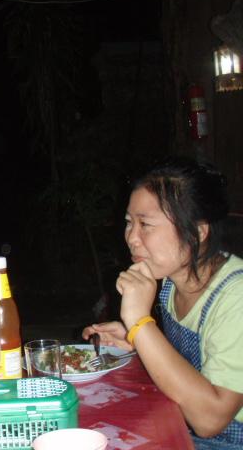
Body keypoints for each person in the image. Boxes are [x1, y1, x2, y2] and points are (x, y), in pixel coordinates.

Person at [82, 157, 243, 449]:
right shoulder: (171, 281)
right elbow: (191, 365)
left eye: (145, 224)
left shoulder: (236, 297)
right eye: (129, 223)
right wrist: (136, 340)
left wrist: (140, 323)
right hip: (183, 429)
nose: (131, 238)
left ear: (198, 232)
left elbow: (210, 420)